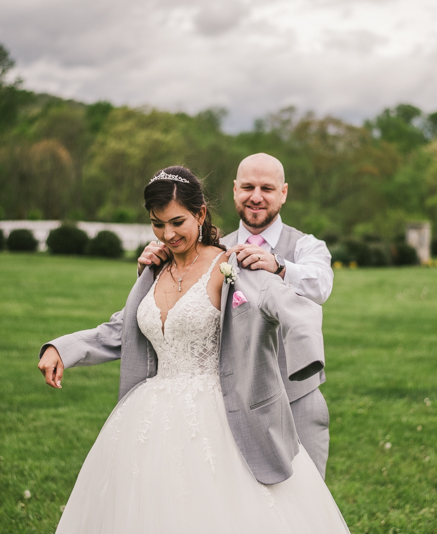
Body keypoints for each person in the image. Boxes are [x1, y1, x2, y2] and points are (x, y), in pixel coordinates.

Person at [38, 166, 349, 533]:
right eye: (157, 224)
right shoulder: (153, 272)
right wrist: (62, 348)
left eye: (176, 222)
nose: (167, 234)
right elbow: (122, 329)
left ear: (200, 214)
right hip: (149, 419)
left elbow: (297, 307)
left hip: (219, 414)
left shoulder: (230, 265)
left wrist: (305, 359)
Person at [137, 153, 334, 477]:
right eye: (248, 187)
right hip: (234, 401)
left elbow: (320, 285)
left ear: (283, 192)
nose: (256, 196)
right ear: (234, 190)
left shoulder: (305, 246)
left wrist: (279, 265)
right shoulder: (217, 250)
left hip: (296, 397)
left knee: (302, 503)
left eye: (267, 188)